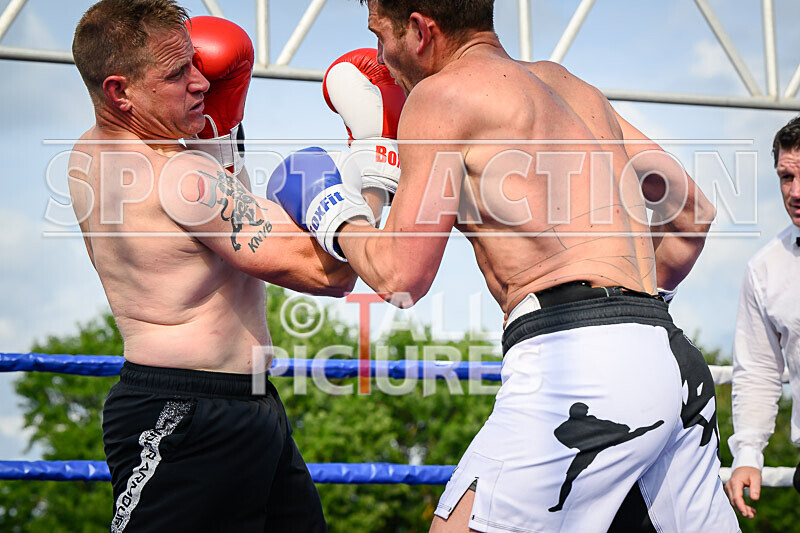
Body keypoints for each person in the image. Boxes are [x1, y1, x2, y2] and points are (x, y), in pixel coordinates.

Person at [268, 1, 741, 531]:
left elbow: (401, 276)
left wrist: (331, 210)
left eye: (381, 35)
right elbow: (691, 216)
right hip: (672, 359)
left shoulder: (440, 97)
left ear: (422, 30)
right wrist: (626, 314)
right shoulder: (572, 88)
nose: (381, 56)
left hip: (576, 364)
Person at [69, 1, 353, 530]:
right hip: (182, 415)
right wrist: (371, 161)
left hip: (248, 407)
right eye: (178, 73)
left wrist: (218, 134)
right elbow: (332, 273)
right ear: (119, 91)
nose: (201, 82)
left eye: (197, 63)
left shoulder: (87, 155)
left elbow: (217, 228)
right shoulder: (177, 179)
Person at [725, 115, 800, 519]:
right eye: (786, 177)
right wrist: (748, 453)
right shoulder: (765, 268)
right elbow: (757, 370)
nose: (796, 192)